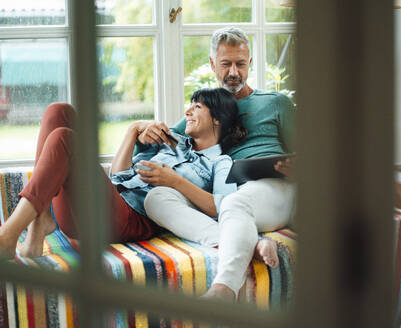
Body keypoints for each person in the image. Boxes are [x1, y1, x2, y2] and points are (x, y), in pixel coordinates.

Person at [0, 88, 246, 260]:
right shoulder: (172, 141)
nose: (187, 112)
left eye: (197, 107)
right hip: (107, 203)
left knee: (65, 138)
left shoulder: (220, 162)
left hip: (132, 221)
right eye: (190, 106)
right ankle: (38, 222)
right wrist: (132, 131)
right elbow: (119, 175)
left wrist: (175, 182)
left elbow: (222, 207)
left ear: (217, 119)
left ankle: (9, 233)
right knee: (58, 111)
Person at [143, 27, 296, 301]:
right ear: (213, 64)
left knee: (236, 202)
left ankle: (224, 289)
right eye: (226, 64)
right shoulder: (207, 108)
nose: (234, 72)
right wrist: (143, 130)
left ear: (250, 63)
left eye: (240, 63)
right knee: (156, 197)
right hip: (226, 193)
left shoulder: (276, 103)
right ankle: (253, 242)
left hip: (272, 187)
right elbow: (165, 142)